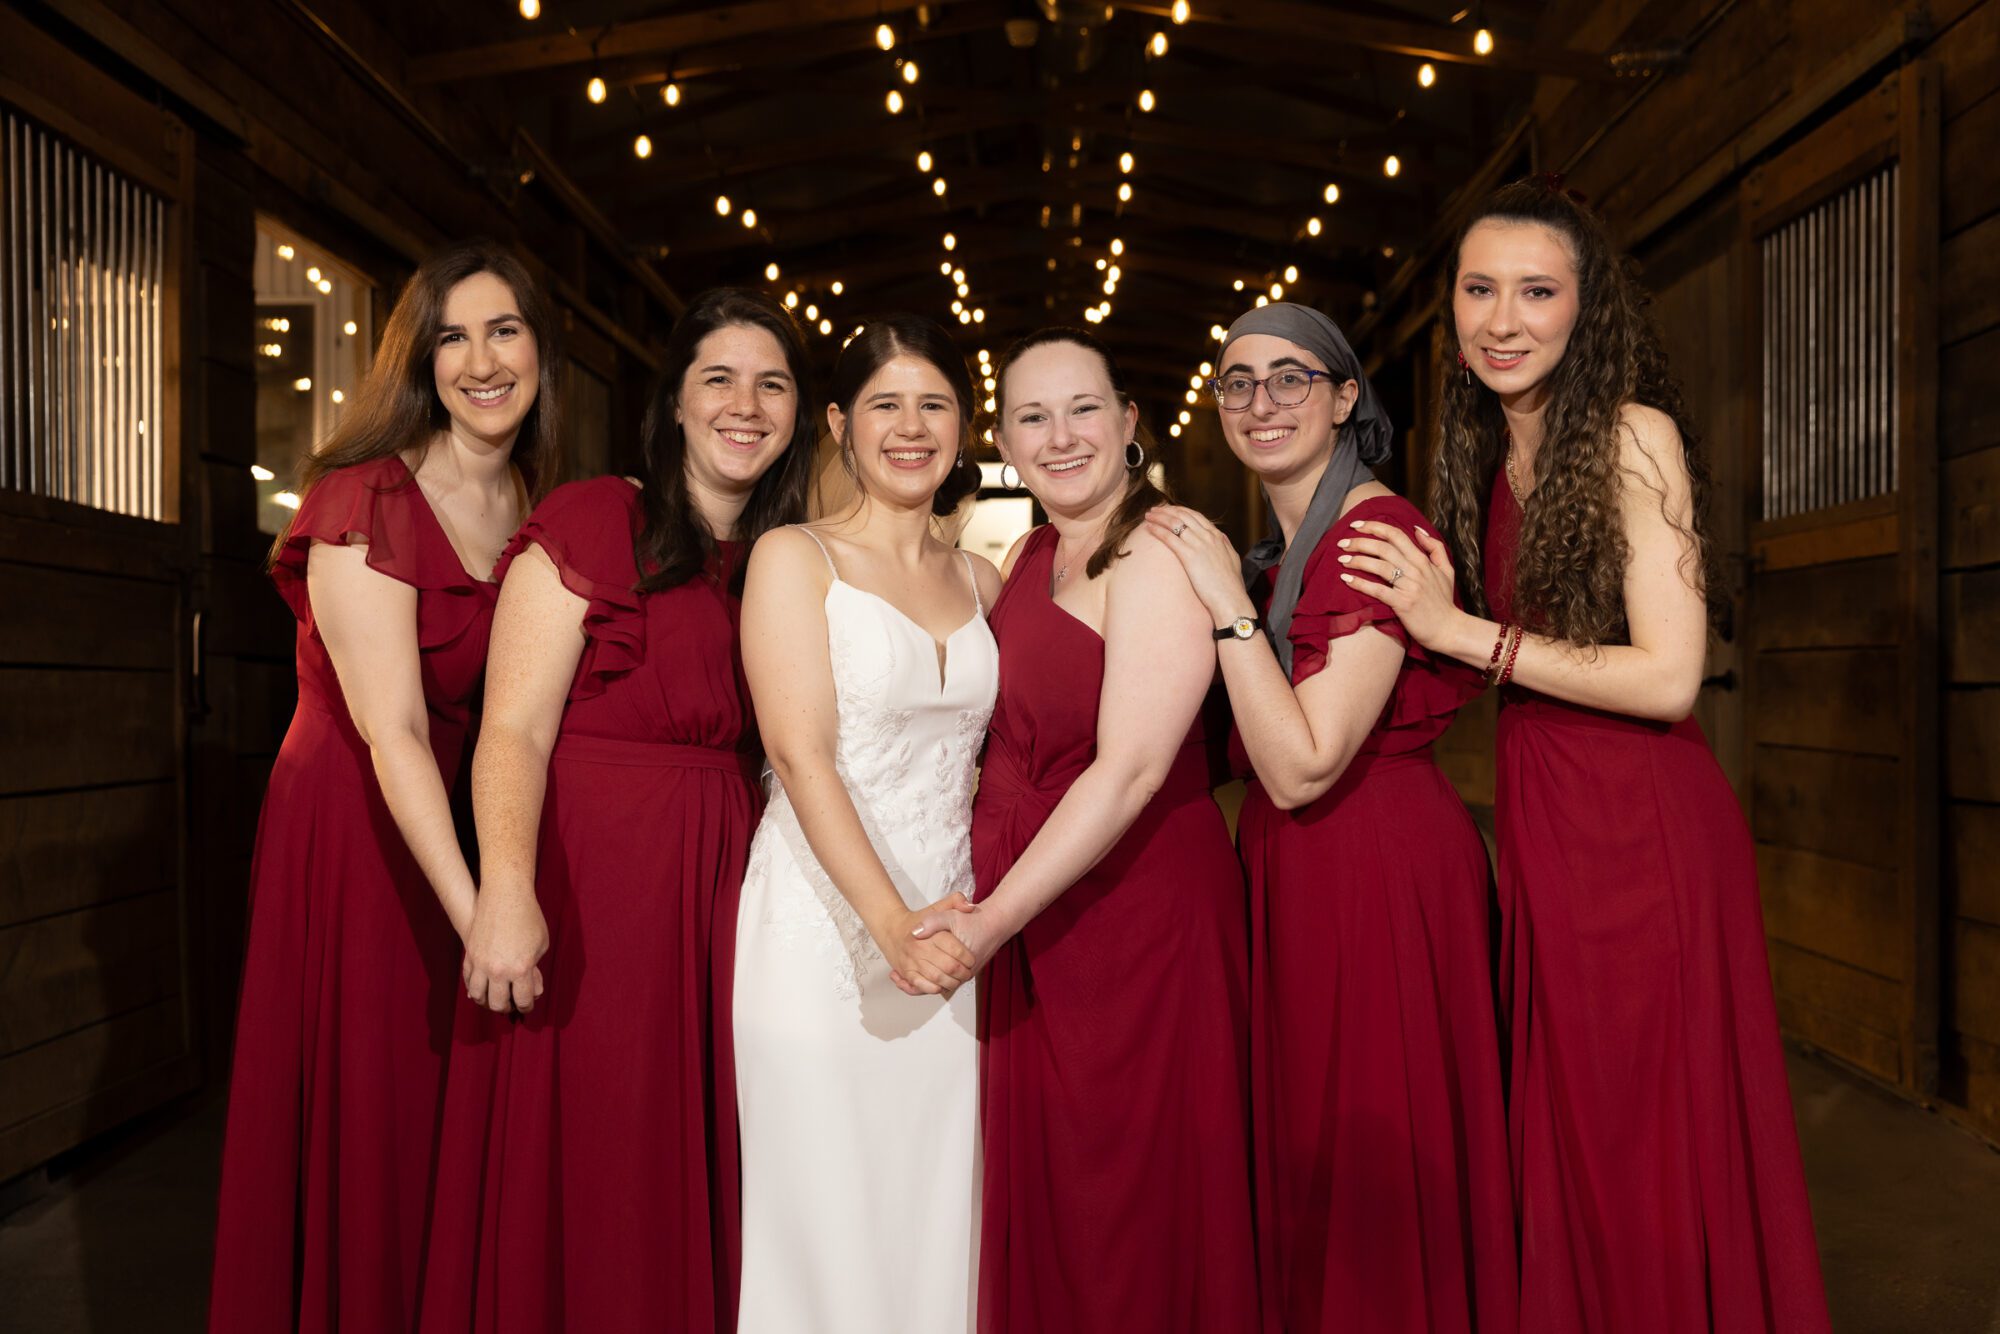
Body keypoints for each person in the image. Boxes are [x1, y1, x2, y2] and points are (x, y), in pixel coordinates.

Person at [1340, 177, 1831, 1332]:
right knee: (1571, 1120)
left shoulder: (1626, 432)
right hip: (1548, 826)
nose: (1500, 318)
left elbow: (1667, 673)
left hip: (1642, 834)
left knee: (1637, 1128)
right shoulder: (1478, 446)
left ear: (1584, 306)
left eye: (1535, 290)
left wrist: (1460, 632)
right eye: (1477, 289)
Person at [417, 289, 814, 1333]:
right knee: (597, 1148)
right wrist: (503, 886)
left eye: (770, 383)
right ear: (673, 403)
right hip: (597, 881)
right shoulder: (599, 514)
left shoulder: (787, 560)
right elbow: (510, 728)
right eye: (716, 379)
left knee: (710, 1143)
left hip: (729, 893)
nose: (744, 404)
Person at [1144, 303, 1516, 1333]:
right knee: (1311, 1139)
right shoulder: (1291, 543)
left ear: (1346, 396)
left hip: (1369, 865)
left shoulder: (1373, 534)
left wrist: (1220, 594)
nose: (1258, 402)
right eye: (1236, 381)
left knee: (1371, 1140)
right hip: (1300, 866)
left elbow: (1303, 760)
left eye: (1289, 378)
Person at [210, 240, 558, 1334]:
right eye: (452, 336)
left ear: (539, 349)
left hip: (453, 816)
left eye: (504, 330)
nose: (481, 359)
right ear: (418, 358)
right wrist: (482, 912)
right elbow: (396, 728)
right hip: (357, 823)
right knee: (374, 1114)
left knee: (448, 1113)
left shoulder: (534, 500)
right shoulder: (364, 492)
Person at [925, 325, 1258, 1333]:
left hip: (1134, 905)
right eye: (1032, 415)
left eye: (1082, 409)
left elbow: (1129, 770)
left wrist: (989, 922)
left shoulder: (1158, 548)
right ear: (1002, 439)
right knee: (1059, 1177)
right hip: (1043, 904)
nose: (1059, 435)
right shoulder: (1028, 551)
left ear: (1127, 424)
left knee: (1128, 1183)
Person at [731, 314, 997, 1334]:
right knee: (825, 1208)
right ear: (840, 422)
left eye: (932, 402)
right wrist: (887, 923)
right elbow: (798, 754)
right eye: (884, 402)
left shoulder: (983, 581)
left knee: (932, 1203)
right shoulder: (793, 558)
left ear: (962, 423)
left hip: (953, 930)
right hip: (822, 932)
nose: (910, 425)